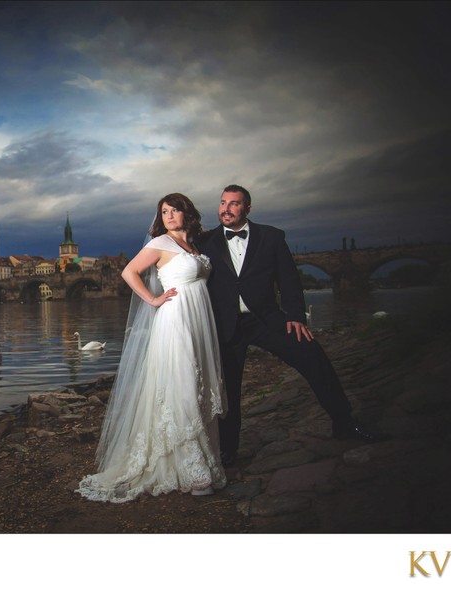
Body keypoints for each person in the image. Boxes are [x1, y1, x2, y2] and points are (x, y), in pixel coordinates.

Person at [198, 184, 385, 467]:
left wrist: (296, 316)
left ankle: (344, 423)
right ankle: (228, 450)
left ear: (248, 208)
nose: (226, 208)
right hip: (224, 326)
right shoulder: (205, 242)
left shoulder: (271, 237)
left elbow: (289, 280)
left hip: (267, 320)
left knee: (313, 356)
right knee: (227, 390)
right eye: (223, 203)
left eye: (234, 203)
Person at [77, 193, 227, 503]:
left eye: (175, 210)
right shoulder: (159, 243)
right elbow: (128, 272)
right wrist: (153, 300)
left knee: (200, 385)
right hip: (176, 320)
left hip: (200, 321)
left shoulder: (193, 245)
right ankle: (192, 470)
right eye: (164, 211)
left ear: (187, 212)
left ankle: (205, 456)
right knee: (182, 385)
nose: (170, 215)